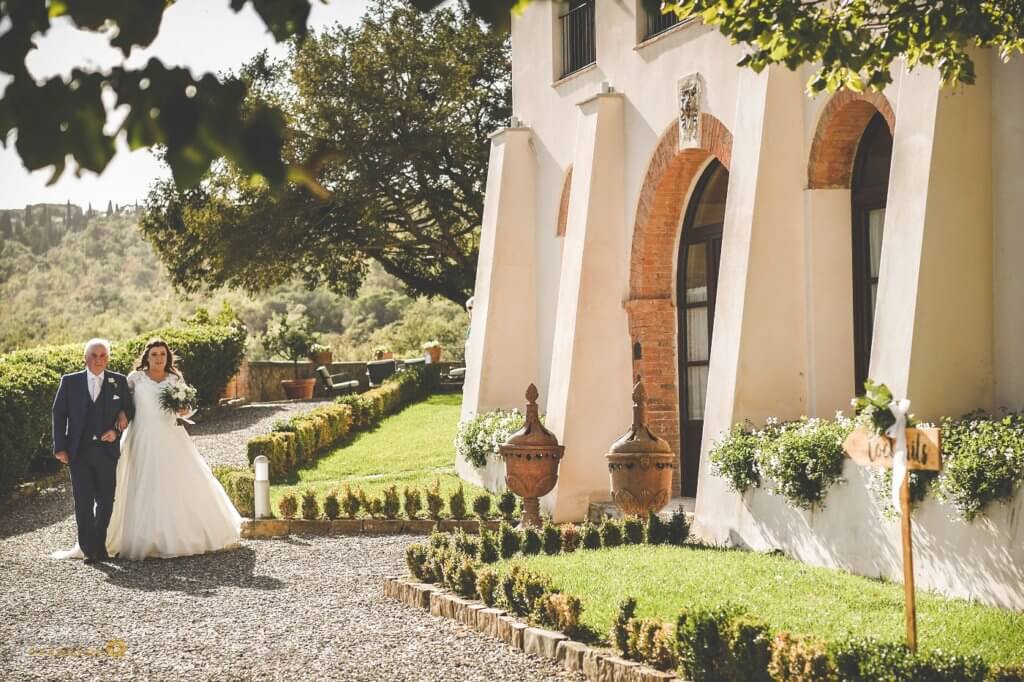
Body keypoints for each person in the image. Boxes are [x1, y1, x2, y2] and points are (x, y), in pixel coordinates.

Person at [53, 338, 241, 561]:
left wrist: (183, 410)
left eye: (162, 354)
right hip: (140, 437)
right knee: (133, 486)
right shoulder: (134, 379)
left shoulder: (175, 378)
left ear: (167, 357)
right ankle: (97, 544)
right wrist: (122, 415)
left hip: (170, 437)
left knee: (175, 484)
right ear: (147, 357)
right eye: (154, 354)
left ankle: (177, 536)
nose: (159, 358)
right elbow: (125, 405)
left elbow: (187, 408)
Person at [51, 339, 134, 564]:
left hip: (107, 452)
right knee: (84, 501)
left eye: (103, 355)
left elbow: (129, 409)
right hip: (78, 452)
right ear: (86, 358)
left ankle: (98, 544)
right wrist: (59, 447)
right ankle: (90, 550)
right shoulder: (70, 382)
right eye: (94, 355)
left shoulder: (118, 381)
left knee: (107, 500)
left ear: (108, 358)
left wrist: (118, 427)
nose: (99, 360)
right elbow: (59, 414)